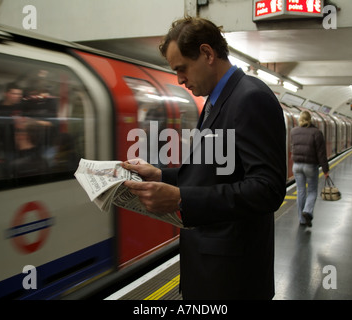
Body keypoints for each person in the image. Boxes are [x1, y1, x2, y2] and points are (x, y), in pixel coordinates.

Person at [122, 16, 286, 300]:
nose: (179, 79)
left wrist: (180, 199)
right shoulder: (215, 101)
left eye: (182, 69)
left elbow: (268, 188)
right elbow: (214, 171)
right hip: (212, 268)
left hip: (233, 278)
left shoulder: (250, 97)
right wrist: (160, 175)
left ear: (208, 54)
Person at [290, 110, 329, 227]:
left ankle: (302, 220)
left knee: (301, 191)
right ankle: (307, 211)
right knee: (312, 191)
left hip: (296, 165)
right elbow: (321, 153)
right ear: (310, 119)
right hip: (310, 166)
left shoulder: (294, 132)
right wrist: (325, 170)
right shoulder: (316, 133)